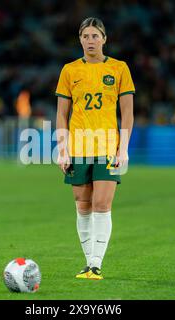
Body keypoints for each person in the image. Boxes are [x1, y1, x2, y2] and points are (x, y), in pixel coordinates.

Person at [55, 17, 135, 280]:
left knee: (102, 203)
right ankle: (88, 263)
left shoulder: (119, 68)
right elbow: (61, 115)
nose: (91, 41)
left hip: (107, 147)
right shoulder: (69, 71)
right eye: (86, 36)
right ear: (80, 39)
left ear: (104, 38)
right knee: (83, 204)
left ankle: (95, 264)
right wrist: (62, 149)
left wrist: (123, 148)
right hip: (78, 147)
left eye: (95, 36)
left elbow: (127, 113)